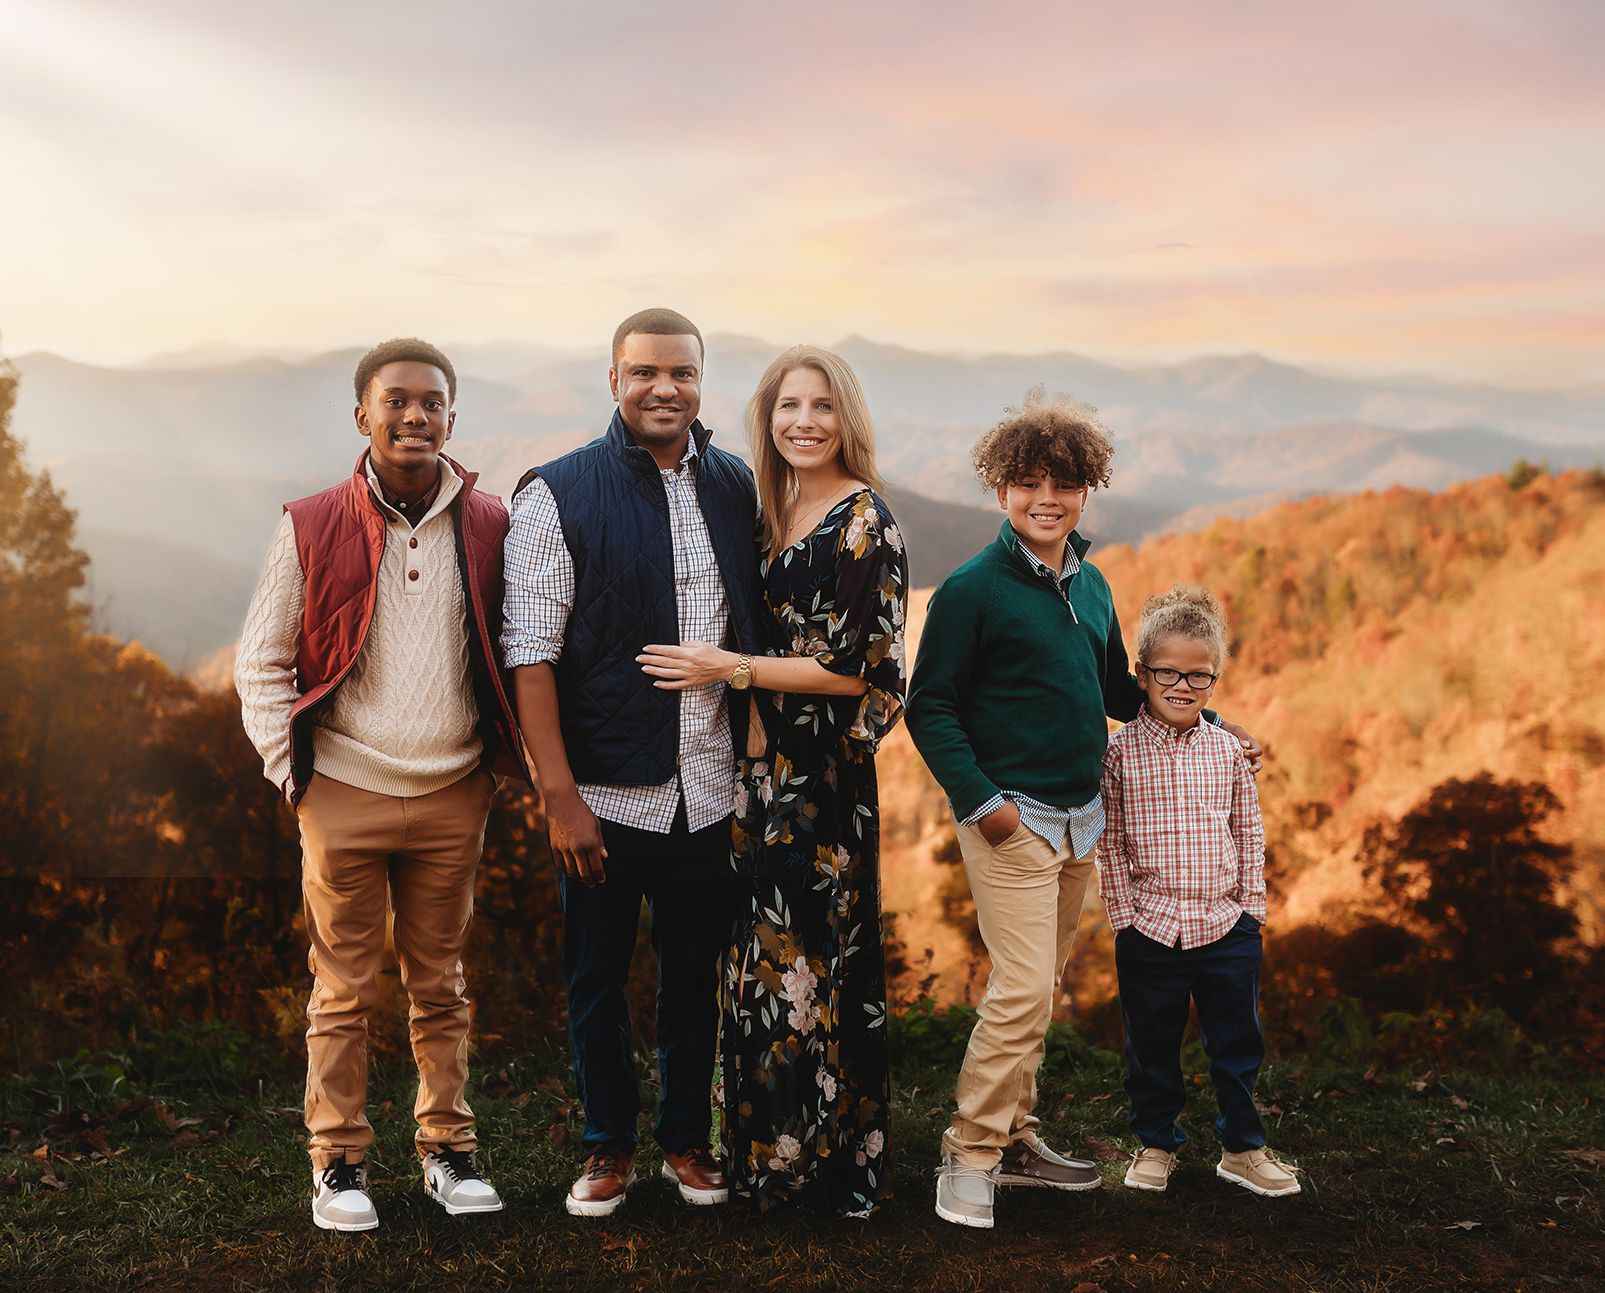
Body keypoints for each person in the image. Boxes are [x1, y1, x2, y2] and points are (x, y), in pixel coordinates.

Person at [903, 390, 1263, 1229]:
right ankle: (970, 1151)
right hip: (1010, 818)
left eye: (1062, 483)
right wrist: (986, 806)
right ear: (1001, 491)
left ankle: (1018, 1136)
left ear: (1084, 491)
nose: (1045, 498)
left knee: (1041, 987)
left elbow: (1115, 692)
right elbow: (931, 707)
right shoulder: (972, 590)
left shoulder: (1093, 585)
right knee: (1022, 988)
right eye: (1027, 482)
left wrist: (1202, 718)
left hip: (1080, 822)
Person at [234, 337, 527, 1232]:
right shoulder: (311, 522)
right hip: (343, 791)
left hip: (452, 790)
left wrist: (498, 767)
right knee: (344, 987)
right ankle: (339, 1163)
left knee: (441, 981)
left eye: (431, 401)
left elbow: (520, 649)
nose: (414, 415)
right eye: (395, 400)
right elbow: (262, 662)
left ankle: (447, 1149)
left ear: (452, 415)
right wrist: (297, 777)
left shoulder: (490, 524)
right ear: (361, 414)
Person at [501, 308, 765, 1217]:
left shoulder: (735, 486)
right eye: (646, 372)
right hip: (607, 790)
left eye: (683, 374)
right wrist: (558, 794)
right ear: (613, 379)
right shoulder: (556, 493)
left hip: (711, 783)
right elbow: (528, 651)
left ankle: (687, 1141)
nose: (666, 389)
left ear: (702, 382)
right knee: (596, 977)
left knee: (696, 973)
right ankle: (607, 1146)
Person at [639, 346, 908, 1217]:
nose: (804, 420)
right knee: (758, 964)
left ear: (847, 419)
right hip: (753, 772)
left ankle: (838, 1169)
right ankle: (766, 1159)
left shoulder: (866, 521)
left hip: (823, 779)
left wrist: (737, 669)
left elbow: (861, 670)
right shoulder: (771, 507)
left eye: (822, 405)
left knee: (823, 962)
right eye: (789, 404)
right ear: (768, 416)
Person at [1098, 586, 1298, 1198]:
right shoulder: (1118, 753)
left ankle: (1243, 1149)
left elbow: (1248, 829)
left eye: (1199, 676)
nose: (1182, 687)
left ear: (1216, 678)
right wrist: (1124, 916)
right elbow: (1108, 840)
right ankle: (1155, 1145)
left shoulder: (1229, 751)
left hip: (1226, 927)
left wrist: (1251, 911)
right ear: (1142, 674)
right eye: (1167, 673)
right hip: (1150, 929)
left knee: (1237, 1043)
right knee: (1152, 1047)